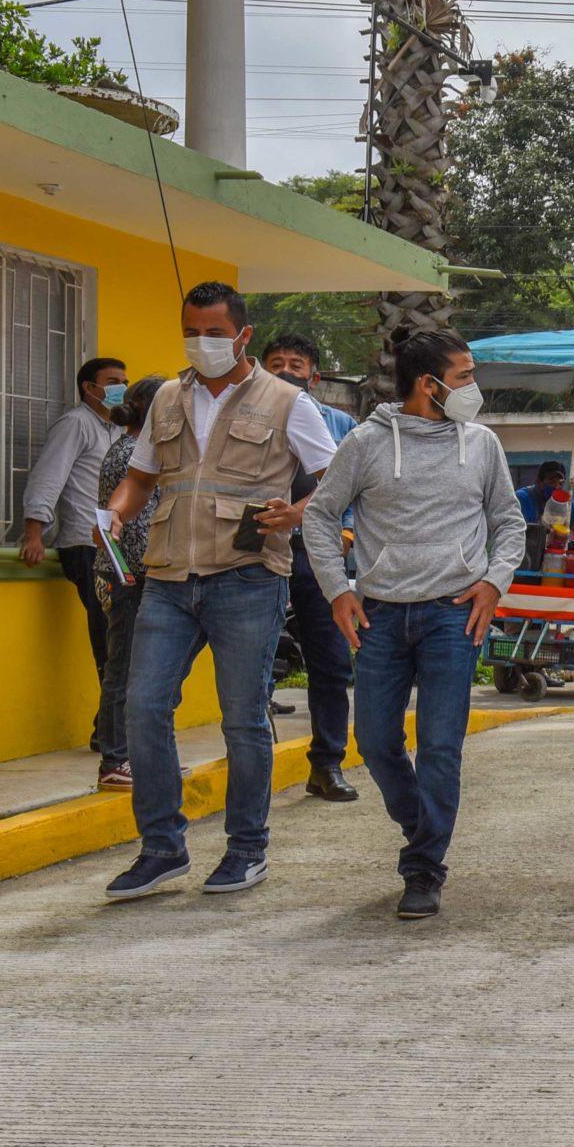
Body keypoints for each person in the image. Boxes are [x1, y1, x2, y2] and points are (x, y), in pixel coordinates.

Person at [97, 282, 339, 901]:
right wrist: (115, 513)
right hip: (169, 577)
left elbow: (339, 482)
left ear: (242, 335)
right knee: (144, 707)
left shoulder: (288, 402)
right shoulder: (166, 400)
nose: (201, 343)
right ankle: (161, 848)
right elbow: (141, 477)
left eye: (213, 332)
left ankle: (246, 848)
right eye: (191, 331)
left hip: (248, 577)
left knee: (242, 718)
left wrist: (298, 513)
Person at [301, 332, 521, 919]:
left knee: (440, 745)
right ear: (431, 385)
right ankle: (424, 825)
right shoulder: (366, 444)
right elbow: (321, 517)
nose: (474, 386)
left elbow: (509, 523)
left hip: (454, 615)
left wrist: (493, 582)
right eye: (466, 375)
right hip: (378, 616)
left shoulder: (482, 445)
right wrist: (337, 591)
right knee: (374, 742)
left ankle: (423, 868)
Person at [261, 331, 360, 802]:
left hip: (319, 554)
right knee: (254, 659)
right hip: (259, 551)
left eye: (295, 364)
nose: (285, 370)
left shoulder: (343, 423)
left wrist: (346, 533)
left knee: (331, 662)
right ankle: (253, 764)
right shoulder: (249, 416)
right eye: (276, 362)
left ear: (314, 376)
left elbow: (359, 487)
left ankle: (327, 765)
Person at [19, 354, 126, 757]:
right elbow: (49, 476)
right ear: (89, 387)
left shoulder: (115, 430)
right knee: (109, 634)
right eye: (113, 381)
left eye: (124, 381)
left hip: (114, 548)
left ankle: (110, 724)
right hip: (84, 545)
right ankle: (111, 731)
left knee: (119, 635)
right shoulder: (76, 424)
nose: (120, 388)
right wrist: (34, 532)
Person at [88, 374, 170, 792]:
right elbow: (133, 525)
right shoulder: (132, 454)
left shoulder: (142, 450)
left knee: (140, 670)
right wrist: (148, 570)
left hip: (136, 572)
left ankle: (138, 755)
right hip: (129, 574)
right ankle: (115, 759)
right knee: (123, 668)